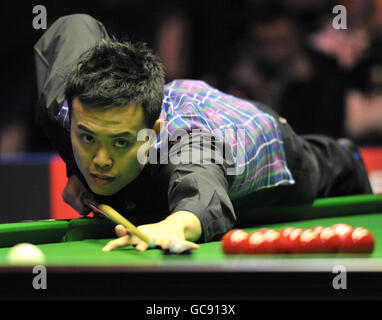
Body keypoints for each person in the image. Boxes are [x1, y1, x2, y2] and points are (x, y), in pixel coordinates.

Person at [34, 14, 372, 252]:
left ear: (153, 134)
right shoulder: (65, 100)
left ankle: (344, 156)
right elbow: (73, 26)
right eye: (88, 138)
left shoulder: (188, 144)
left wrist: (175, 225)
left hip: (260, 139)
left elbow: (205, 197)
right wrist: (77, 169)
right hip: (164, 105)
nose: (101, 160)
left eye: (120, 142)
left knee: (323, 164)